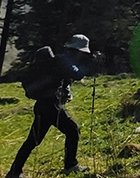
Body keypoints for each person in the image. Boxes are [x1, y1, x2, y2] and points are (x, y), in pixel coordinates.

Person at [6, 34, 95, 178]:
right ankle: (70, 165)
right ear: (76, 51)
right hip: (50, 106)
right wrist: (91, 64)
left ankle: (15, 171)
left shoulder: (60, 60)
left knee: (34, 140)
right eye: (81, 53)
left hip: (43, 105)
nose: (81, 56)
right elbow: (78, 74)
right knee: (72, 130)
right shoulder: (63, 61)